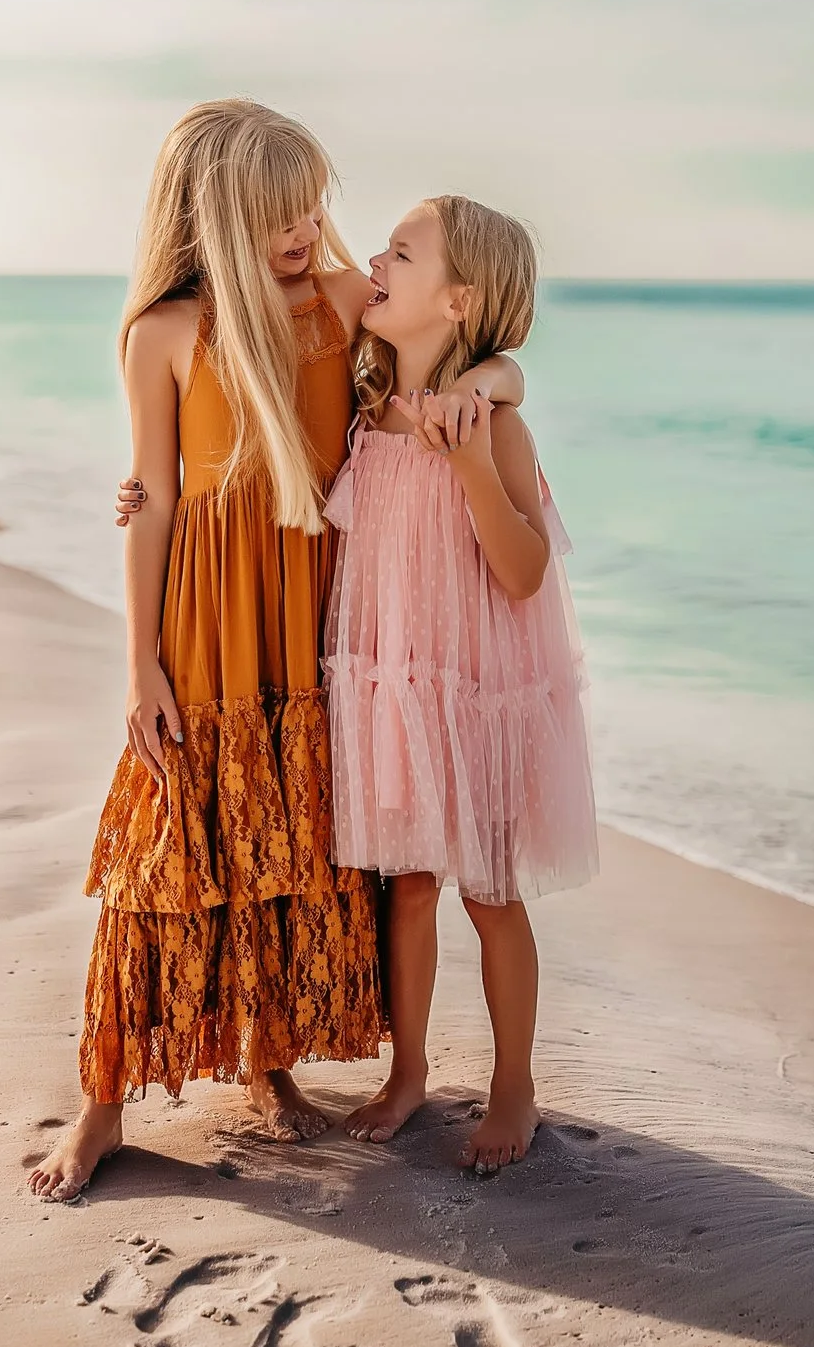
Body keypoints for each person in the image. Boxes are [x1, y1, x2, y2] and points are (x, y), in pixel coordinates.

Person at [31, 105, 518, 1201]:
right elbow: (152, 494)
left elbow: (485, 355)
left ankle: (270, 1065)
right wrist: (137, 665)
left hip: (318, 604)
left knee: (290, 834)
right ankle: (102, 1102)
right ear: (211, 215)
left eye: (310, 202)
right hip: (204, 610)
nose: (303, 228)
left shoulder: (346, 302)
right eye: (274, 213)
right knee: (169, 838)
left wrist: (488, 391)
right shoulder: (160, 330)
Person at [326, 195, 598, 1173]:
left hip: (474, 688)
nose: (373, 260)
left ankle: (513, 1083)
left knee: (487, 889)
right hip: (394, 681)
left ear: (458, 300)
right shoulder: (364, 412)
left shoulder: (494, 422)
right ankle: (407, 1071)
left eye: (401, 252)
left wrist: (477, 459)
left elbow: (524, 570)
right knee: (405, 885)